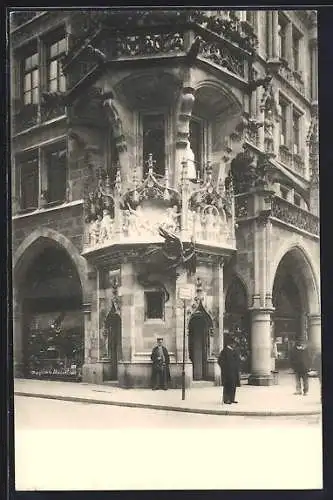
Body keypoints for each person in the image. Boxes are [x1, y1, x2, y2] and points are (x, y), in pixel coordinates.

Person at [217, 336, 241, 404]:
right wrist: (224, 368)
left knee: (233, 385)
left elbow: (237, 361)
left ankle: (232, 398)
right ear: (230, 343)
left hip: (234, 372)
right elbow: (220, 361)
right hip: (227, 372)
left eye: (235, 344)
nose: (234, 345)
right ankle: (226, 399)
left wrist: (238, 368)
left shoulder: (235, 351)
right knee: (227, 386)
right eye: (233, 343)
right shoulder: (225, 351)